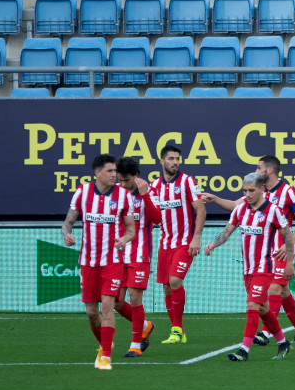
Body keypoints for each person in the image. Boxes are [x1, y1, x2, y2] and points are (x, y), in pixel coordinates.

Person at [201, 155, 295, 346]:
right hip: (262, 253)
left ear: (268, 170)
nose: (255, 170)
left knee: (274, 288)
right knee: (282, 292)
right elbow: (236, 206)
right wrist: (216, 199)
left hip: (282, 249)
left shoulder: (288, 192)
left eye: (258, 167)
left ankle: (266, 333)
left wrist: (289, 243)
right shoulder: (257, 192)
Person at [62, 154, 136, 370]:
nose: (115, 175)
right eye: (110, 171)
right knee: (91, 312)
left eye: (115, 171)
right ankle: (104, 344)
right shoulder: (82, 193)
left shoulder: (123, 196)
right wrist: (66, 234)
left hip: (112, 260)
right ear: (97, 173)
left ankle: (105, 356)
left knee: (107, 305)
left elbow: (131, 228)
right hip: (88, 261)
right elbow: (68, 222)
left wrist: (124, 239)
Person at [149, 144, 206, 344]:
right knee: (166, 287)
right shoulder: (154, 187)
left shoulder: (187, 182)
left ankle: (176, 328)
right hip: (165, 243)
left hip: (184, 243)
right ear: (162, 161)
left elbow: (200, 210)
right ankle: (179, 331)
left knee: (174, 281)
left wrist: (196, 237)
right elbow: (155, 217)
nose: (175, 162)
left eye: (177, 159)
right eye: (171, 159)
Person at [114, 157, 161, 357]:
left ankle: (135, 344)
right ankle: (144, 325)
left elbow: (158, 219)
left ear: (136, 176)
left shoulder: (149, 192)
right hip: (117, 254)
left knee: (135, 298)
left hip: (140, 254)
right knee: (116, 301)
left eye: (126, 180)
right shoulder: (115, 193)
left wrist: (145, 196)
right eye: (120, 180)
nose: (123, 184)